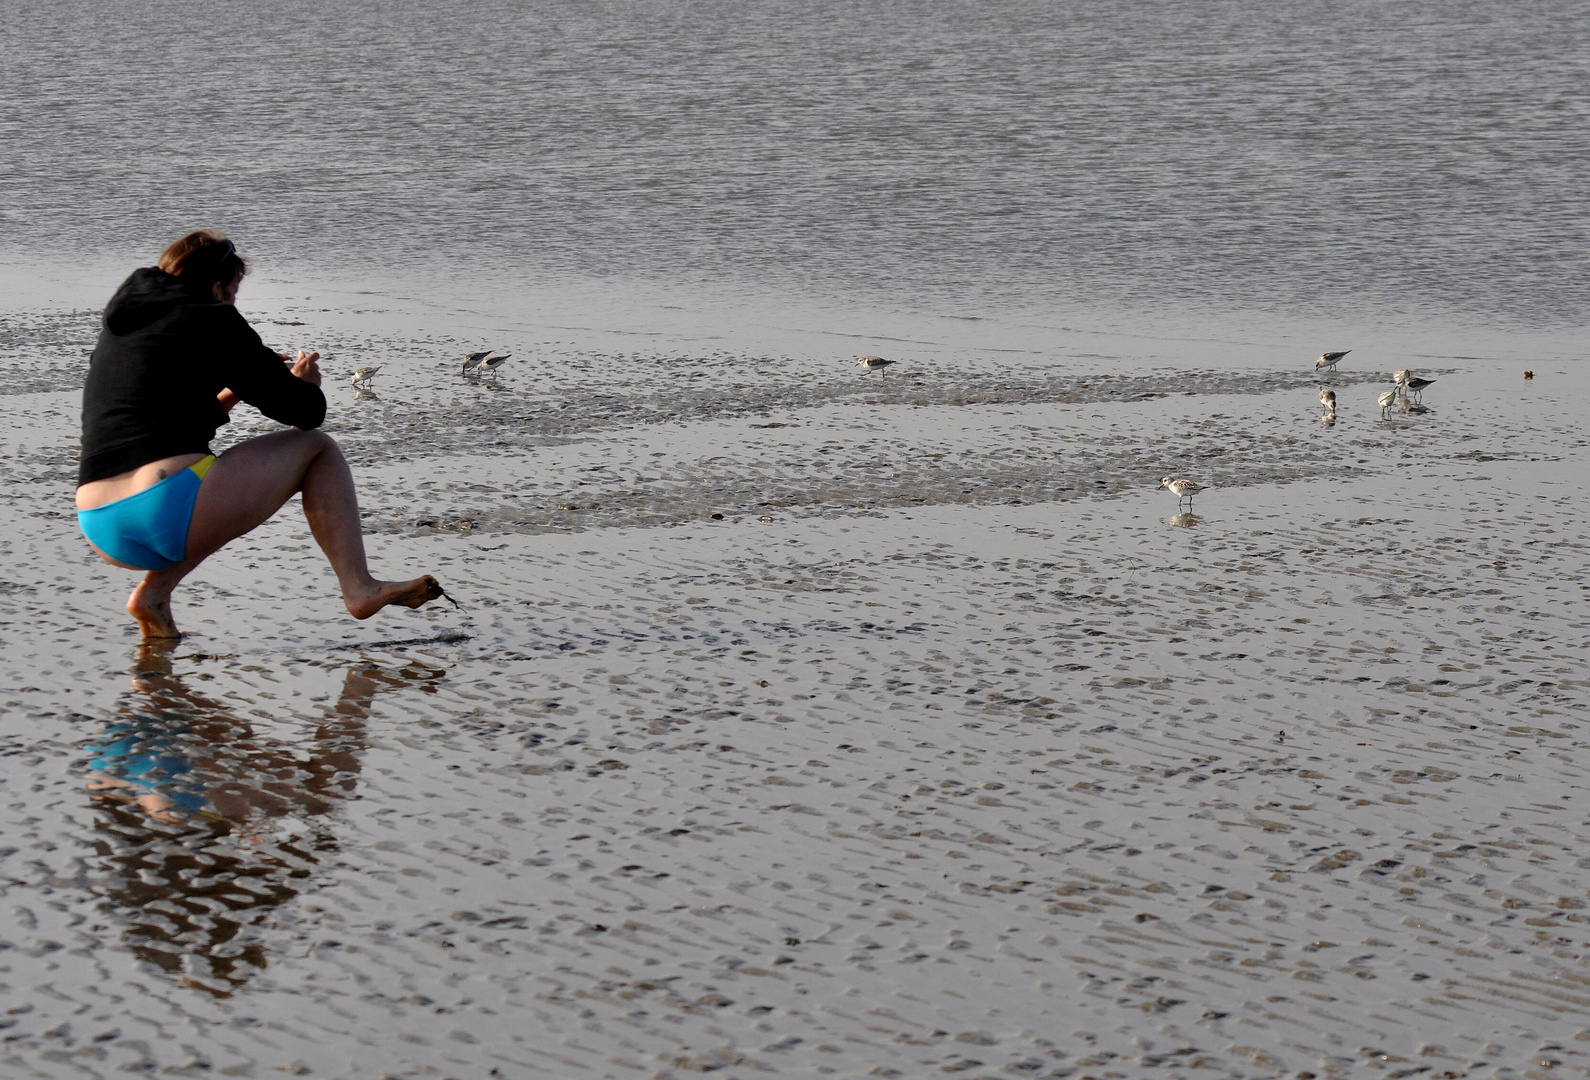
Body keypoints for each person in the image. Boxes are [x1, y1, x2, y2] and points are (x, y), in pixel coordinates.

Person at [76, 230, 449, 639]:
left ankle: (154, 594)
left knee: (200, 481)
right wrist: (304, 382)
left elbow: (176, 427)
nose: (235, 303)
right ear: (218, 288)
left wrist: (235, 389)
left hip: (98, 520)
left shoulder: (123, 323)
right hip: (163, 505)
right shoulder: (213, 316)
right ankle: (358, 586)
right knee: (317, 450)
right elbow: (305, 412)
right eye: (235, 292)